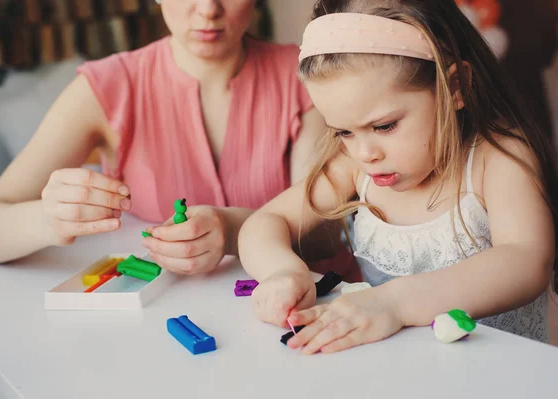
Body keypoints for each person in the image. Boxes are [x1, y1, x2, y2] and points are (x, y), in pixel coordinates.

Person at [238, 0, 558, 354]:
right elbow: (266, 221)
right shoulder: (354, 168)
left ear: (455, 87)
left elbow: (526, 261)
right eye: (343, 132)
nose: (365, 153)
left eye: (385, 126)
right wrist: (282, 270)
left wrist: (396, 302)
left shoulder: (497, 160)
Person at [0, 0, 359, 280]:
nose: (208, 9)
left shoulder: (303, 76)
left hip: (305, 302)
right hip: (166, 317)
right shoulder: (106, 87)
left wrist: (230, 229)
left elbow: (323, 232)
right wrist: (51, 218)